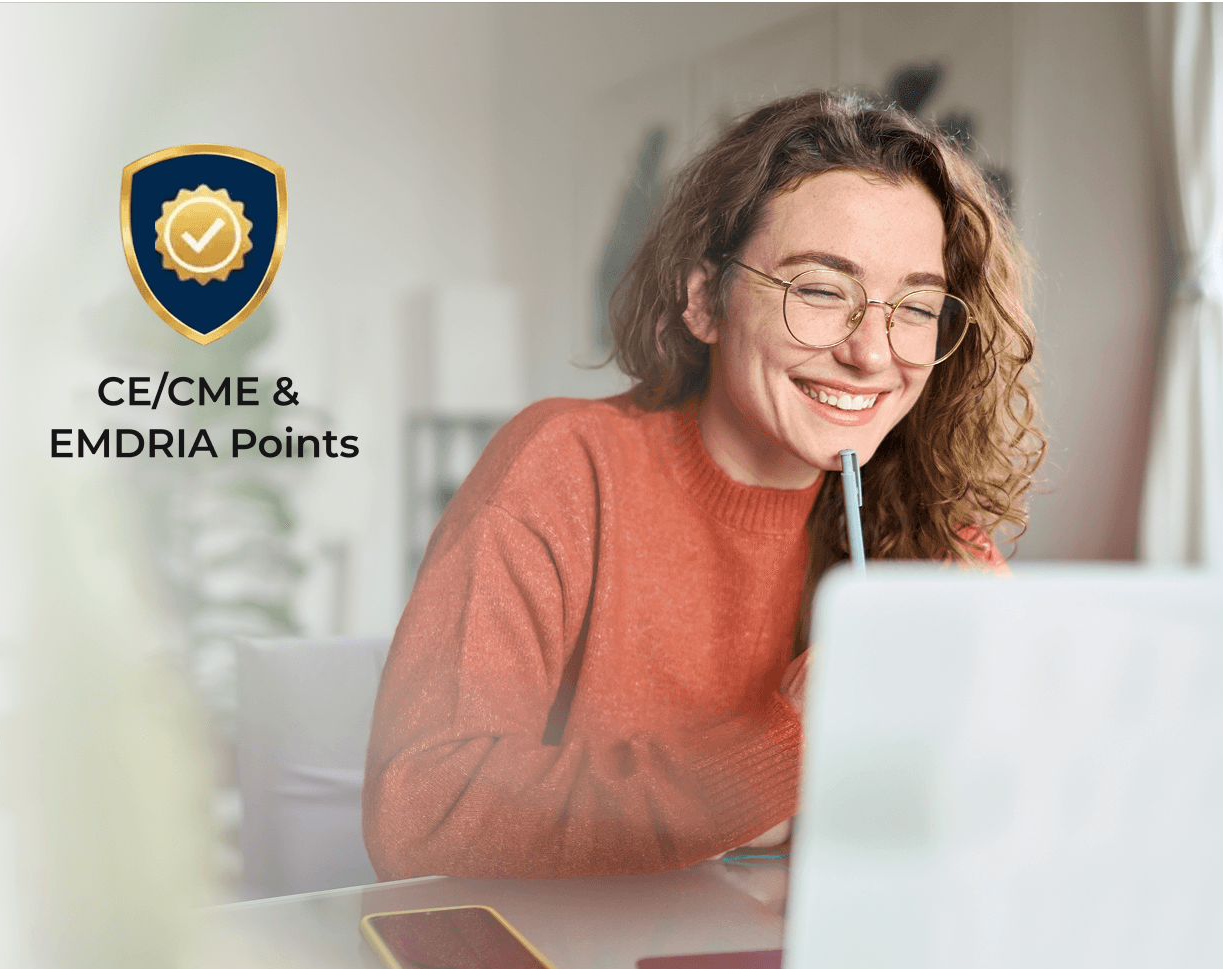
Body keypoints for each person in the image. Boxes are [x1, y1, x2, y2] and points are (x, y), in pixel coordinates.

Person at [363, 90, 1042, 880]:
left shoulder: (931, 528)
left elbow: (1006, 810)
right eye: (821, 290)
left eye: (915, 307)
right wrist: (786, 745)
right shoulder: (564, 467)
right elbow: (420, 812)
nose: (872, 352)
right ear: (703, 300)